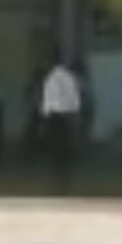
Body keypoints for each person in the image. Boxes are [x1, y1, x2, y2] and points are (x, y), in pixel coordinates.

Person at [36, 56, 83, 187]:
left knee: (56, 145)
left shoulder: (51, 79)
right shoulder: (69, 77)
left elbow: (48, 101)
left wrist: (44, 119)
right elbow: (75, 98)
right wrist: (75, 114)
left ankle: (58, 173)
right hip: (67, 115)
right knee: (65, 145)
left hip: (55, 116)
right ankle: (64, 172)